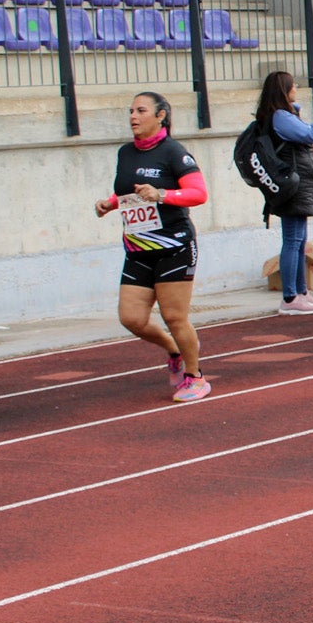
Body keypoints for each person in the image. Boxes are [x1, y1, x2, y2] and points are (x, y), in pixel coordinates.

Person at [94, 92, 210, 403]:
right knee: (131, 318)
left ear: (160, 116)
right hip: (137, 248)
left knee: (174, 316)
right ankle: (172, 350)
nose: (133, 116)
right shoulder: (125, 153)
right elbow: (130, 192)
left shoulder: (174, 152)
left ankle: (195, 376)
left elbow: (198, 194)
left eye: (141, 110)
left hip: (174, 246)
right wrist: (111, 203)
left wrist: (161, 194)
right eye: (130, 110)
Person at [254, 71, 313, 316]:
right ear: (284, 91)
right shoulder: (280, 116)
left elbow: (308, 131)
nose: (296, 87)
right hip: (291, 185)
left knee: (299, 241)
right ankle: (290, 296)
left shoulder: (285, 115)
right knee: (293, 240)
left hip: (297, 185)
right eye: (292, 84)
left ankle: (300, 290)